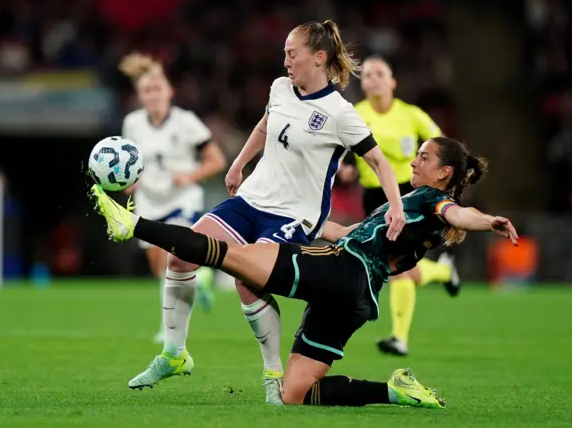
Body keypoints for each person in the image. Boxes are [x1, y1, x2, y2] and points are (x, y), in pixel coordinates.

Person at [91, 136, 518, 407]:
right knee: (296, 393)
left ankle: (133, 225)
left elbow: (460, 213)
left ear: (444, 172)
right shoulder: (415, 212)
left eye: (423, 157)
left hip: (341, 269)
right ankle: (393, 391)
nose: (413, 162)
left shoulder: (429, 200)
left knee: (230, 256)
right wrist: (308, 221)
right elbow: (349, 230)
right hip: (356, 298)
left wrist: (490, 221)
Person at [126, 20, 407, 403]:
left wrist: (395, 206)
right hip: (251, 200)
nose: (286, 60)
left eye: (293, 53)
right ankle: (174, 355)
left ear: (319, 58)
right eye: (285, 53)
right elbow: (265, 124)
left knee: (247, 279)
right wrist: (239, 163)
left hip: (294, 217)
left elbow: (378, 162)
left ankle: (273, 375)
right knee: (182, 256)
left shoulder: (340, 113)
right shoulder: (280, 88)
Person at [337, 55, 459, 356]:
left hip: (409, 196)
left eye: (379, 73)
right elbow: (341, 150)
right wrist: (347, 168)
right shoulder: (355, 113)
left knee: (398, 269)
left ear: (393, 81)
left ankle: (399, 338)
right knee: (398, 267)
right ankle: (442, 272)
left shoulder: (411, 115)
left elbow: (442, 147)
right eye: (366, 75)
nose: (373, 79)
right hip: (373, 197)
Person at [118, 53, 227, 341]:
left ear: (169, 92)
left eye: (157, 89)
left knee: (172, 259)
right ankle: (196, 283)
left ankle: (173, 329)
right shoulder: (132, 124)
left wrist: (189, 177)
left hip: (182, 199)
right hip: (149, 201)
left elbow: (216, 160)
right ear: (140, 95)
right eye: (146, 91)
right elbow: (130, 163)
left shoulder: (186, 122)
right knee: (161, 270)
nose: (152, 95)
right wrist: (130, 181)